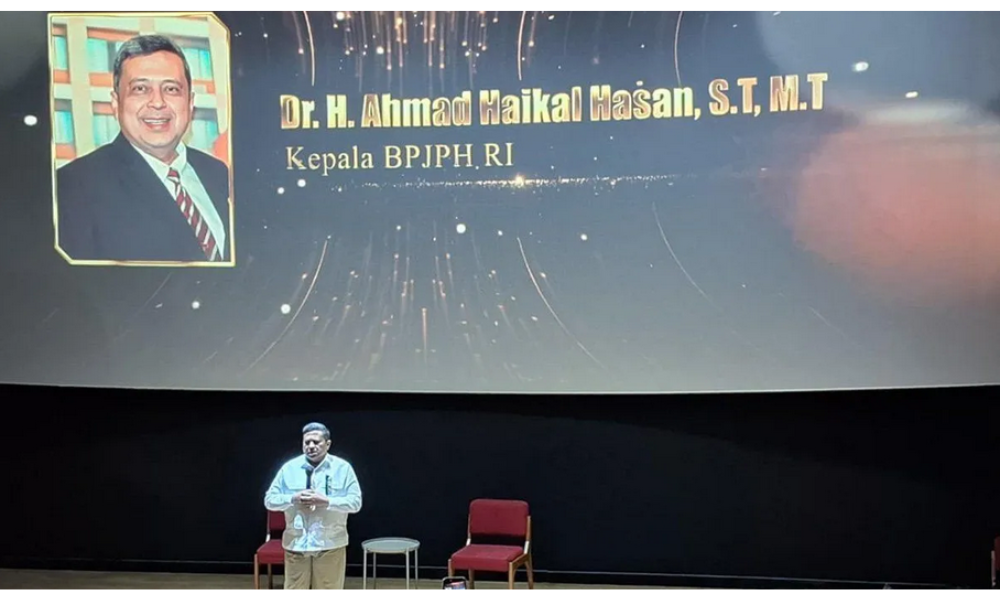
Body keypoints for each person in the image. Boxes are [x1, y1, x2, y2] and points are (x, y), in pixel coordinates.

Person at [55, 34, 231, 263]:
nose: (157, 102)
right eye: (140, 89)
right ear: (116, 103)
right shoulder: (72, 187)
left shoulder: (219, 173)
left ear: (190, 102)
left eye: (171, 89)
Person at [264, 423, 362, 589]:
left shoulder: (343, 469)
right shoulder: (289, 468)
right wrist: (293, 498)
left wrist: (327, 501)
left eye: (316, 442)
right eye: (306, 442)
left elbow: (355, 503)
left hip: (329, 544)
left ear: (328, 444)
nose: (310, 446)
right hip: (296, 544)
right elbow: (269, 500)